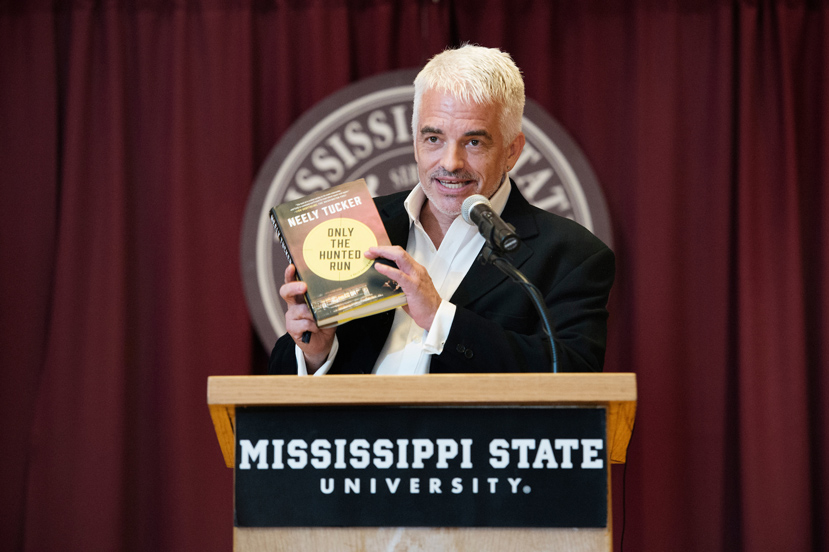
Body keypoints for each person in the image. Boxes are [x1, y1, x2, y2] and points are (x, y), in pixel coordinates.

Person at [269, 44, 614, 376]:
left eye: (474, 142)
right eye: (433, 139)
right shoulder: (362, 226)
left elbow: (572, 378)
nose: (450, 163)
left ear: (511, 150)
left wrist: (440, 318)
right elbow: (281, 388)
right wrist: (316, 353)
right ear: (415, 141)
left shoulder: (571, 256)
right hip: (353, 435)